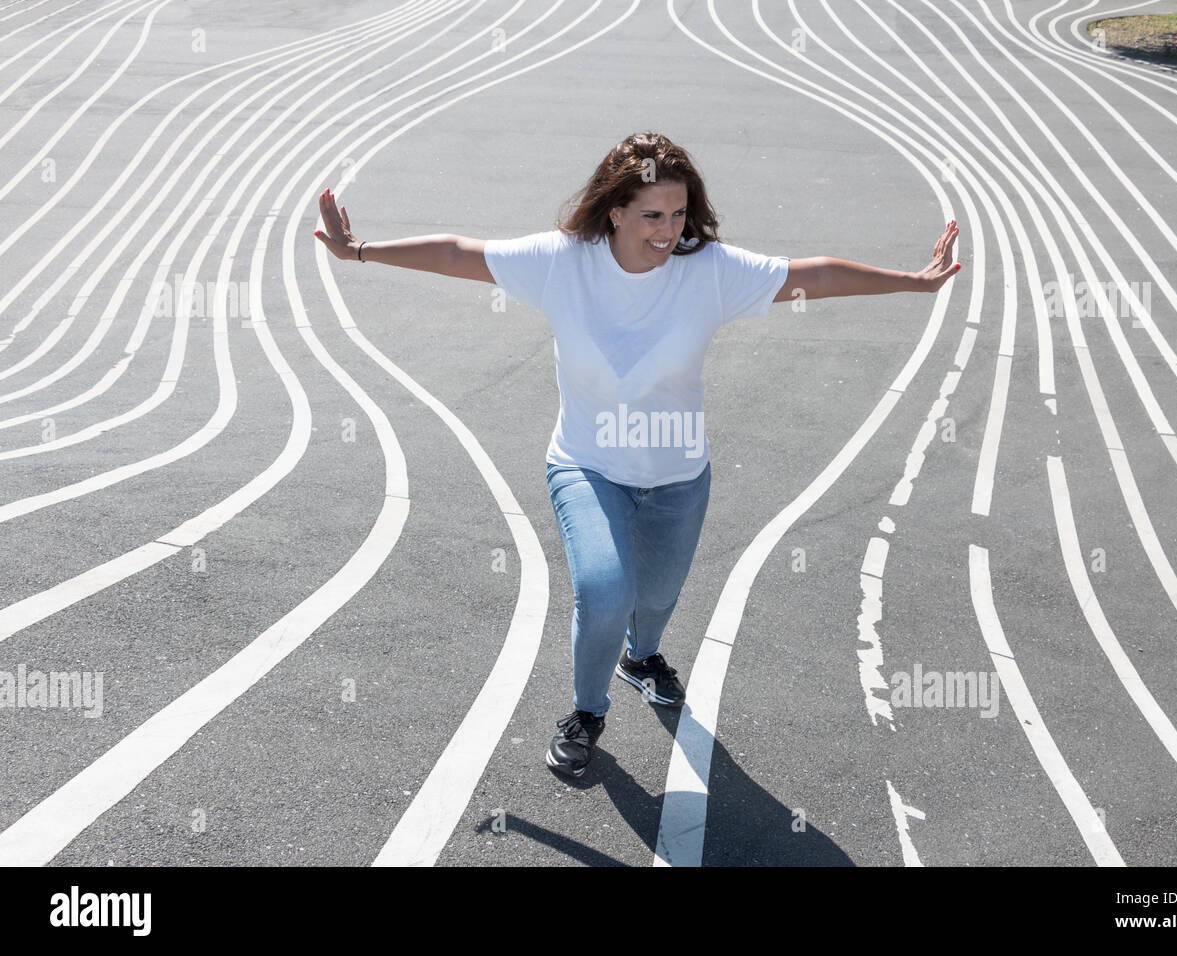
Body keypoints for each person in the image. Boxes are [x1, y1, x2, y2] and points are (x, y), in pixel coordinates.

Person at [314, 131, 961, 780]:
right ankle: (586, 715)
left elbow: (811, 275)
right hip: (587, 467)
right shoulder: (563, 262)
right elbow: (459, 254)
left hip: (679, 476)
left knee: (654, 599)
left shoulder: (708, 270)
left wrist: (915, 282)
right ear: (614, 210)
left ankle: (640, 657)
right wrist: (359, 250)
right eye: (652, 214)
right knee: (604, 588)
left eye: (679, 213)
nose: (668, 229)